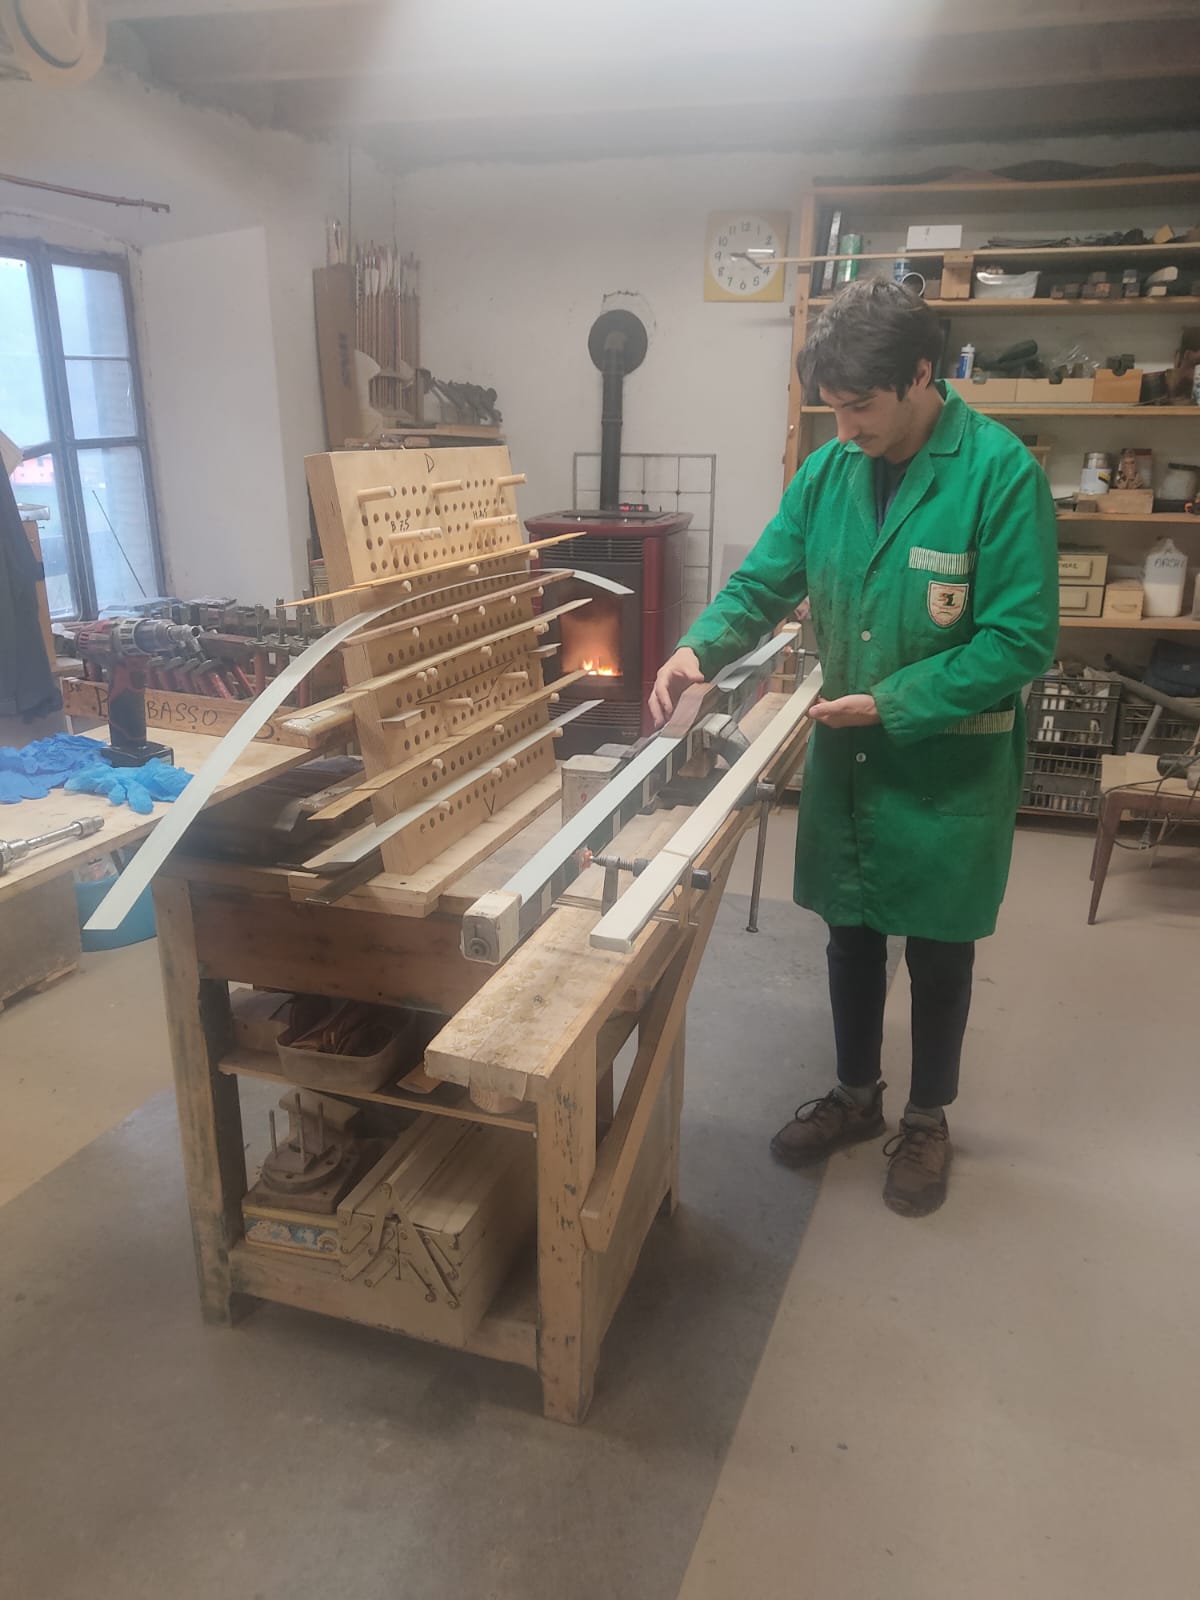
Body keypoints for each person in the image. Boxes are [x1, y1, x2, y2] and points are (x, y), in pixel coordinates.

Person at [649, 280, 1058, 1217]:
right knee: (851, 934)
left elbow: (1020, 640)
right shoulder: (830, 472)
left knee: (941, 952)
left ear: (922, 375)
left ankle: (927, 1117)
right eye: (831, 408)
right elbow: (763, 581)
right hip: (854, 754)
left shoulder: (999, 474)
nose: (846, 428)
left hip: (949, 764)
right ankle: (854, 1094)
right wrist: (697, 647)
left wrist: (894, 701)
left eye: (861, 406)